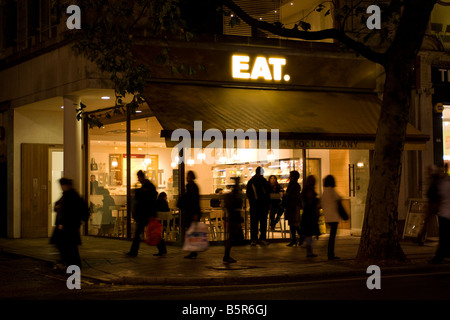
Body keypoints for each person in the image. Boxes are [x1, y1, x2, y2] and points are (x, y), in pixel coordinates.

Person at [127, 170, 167, 257]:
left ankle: (134, 251)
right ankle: (162, 249)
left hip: (147, 213)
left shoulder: (148, 187)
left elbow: (146, 198)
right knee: (148, 231)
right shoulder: (147, 186)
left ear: (142, 177)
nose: (138, 179)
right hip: (147, 213)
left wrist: (137, 192)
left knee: (141, 232)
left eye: (139, 177)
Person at [51, 178, 87, 268]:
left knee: (67, 245)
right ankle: (71, 263)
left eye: (62, 185)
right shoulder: (69, 195)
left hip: (68, 226)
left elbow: (69, 211)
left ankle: (72, 264)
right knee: (68, 245)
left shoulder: (70, 196)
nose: (61, 187)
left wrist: (62, 223)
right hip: (69, 225)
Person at [178, 170, 201, 259]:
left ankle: (193, 250)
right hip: (191, 212)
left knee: (191, 231)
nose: (187, 178)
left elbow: (193, 200)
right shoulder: (193, 187)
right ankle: (193, 250)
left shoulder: (192, 187)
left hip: (191, 212)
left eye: (188, 176)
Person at [246, 166, 271, 246]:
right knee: (263, 223)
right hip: (263, 206)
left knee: (254, 223)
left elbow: (248, 194)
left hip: (254, 206)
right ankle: (262, 238)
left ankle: (254, 239)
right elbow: (268, 193)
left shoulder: (251, 182)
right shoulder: (264, 182)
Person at [418, 165, 442, 245]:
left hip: (434, 203)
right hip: (435, 203)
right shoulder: (436, 180)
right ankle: (421, 236)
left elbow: (431, 192)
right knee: (428, 221)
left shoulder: (434, 180)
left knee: (427, 221)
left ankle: (420, 237)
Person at [431, 168, 450, 264]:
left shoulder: (441, 184)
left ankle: (440, 256)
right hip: (445, 213)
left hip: (444, 214)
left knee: (444, 237)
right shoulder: (445, 183)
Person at [223, 177, 244, 263]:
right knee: (231, 237)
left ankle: (226, 255)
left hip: (232, 217)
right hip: (234, 218)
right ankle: (226, 256)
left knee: (231, 237)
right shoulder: (235, 197)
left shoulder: (230, 196)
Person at [321, 175, 342, 260]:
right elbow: (338, 199)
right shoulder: (332, 191)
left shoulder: (325, 191)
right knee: (332, 236)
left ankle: (329, 252)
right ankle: (330, 253)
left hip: (328, 216)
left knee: (331, 235)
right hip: (334, 216)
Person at [300, 175, 321, 257]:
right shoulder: (309, 190)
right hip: (309, 214)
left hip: (308, 213)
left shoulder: (306, 189)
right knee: (309, 234)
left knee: (309, 234)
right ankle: (309, 251)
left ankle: (309, 251)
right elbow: (309, 201)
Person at [283, 171, 302, 246]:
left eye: (291, 176)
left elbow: (292, 196)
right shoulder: (292, 185)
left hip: (293, 206)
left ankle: (299, 237)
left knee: (294, 223)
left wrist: (287, 194)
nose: (290, 178)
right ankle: (294, 239)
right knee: (292, 224)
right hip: (291, 206)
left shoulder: (295, 186)